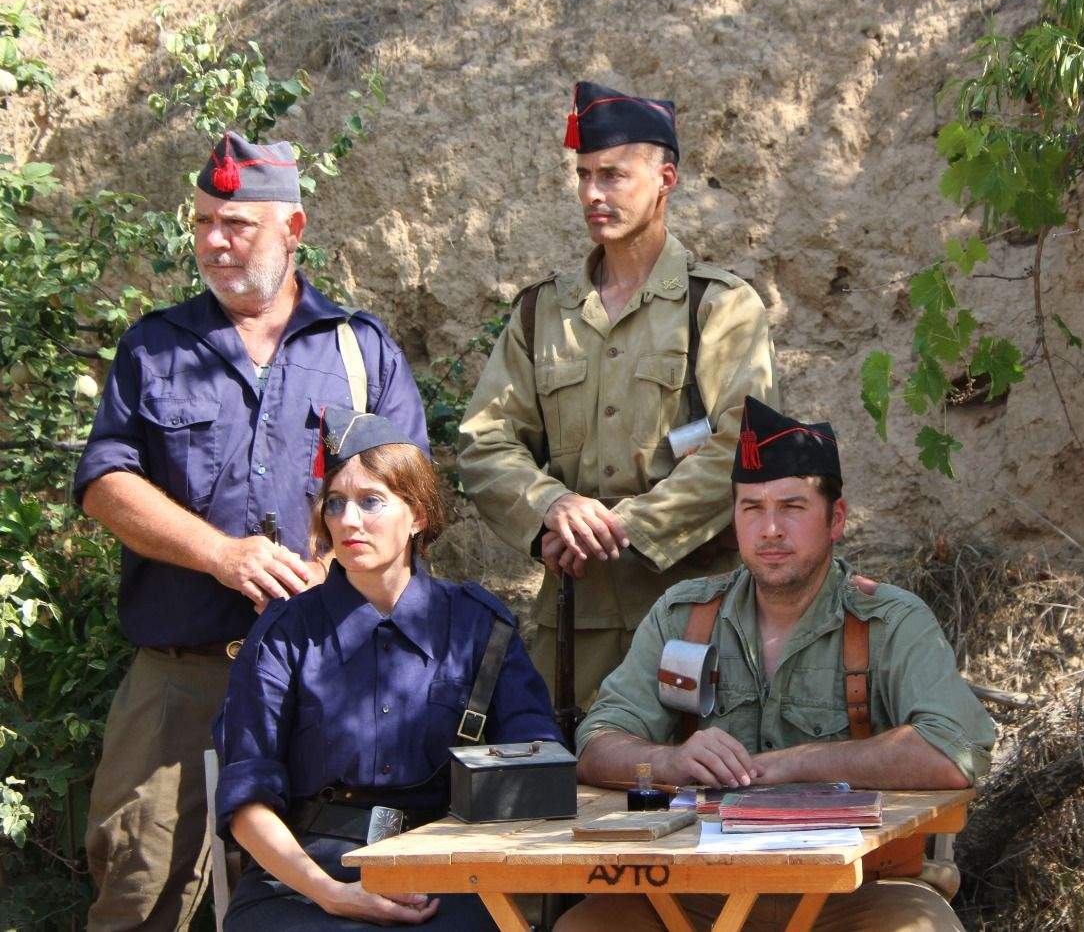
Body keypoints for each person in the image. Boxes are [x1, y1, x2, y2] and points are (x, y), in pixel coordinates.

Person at [73, 132, 430, 930]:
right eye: (202, 222)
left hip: (327, 680)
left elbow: (411, 491)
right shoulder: (157, 346)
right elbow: (104, 483)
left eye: (236, 223)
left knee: (321, 897)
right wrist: (223, 555)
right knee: (140, 890)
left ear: (294, 228)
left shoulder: (358, 349)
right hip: (181, 683)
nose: (213, 240)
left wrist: (335, 559)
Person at [559, 397, 996, 932]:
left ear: (835, 519)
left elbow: (955, 751)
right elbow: (598, 740)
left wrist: (790, 766)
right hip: (696, 891)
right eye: (752, 508)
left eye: (791, 507)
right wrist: (671, 762)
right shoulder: (684, 615)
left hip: (853, 892)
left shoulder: (889, 622)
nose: (769, 530)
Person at [457, 81, 779, 709]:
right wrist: (549, 507)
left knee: (700, 787)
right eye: (582, 176)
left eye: (612, 175)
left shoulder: (717, 306)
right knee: (574, 790)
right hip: (576, 627)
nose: (592, 194)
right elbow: (484, 441)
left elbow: (744, 445)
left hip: (696, 614)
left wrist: (621, 526)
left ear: (666, 178)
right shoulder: (542, 314)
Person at [214, 408, 562, 929]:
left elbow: (535, 768)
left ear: (418, 514)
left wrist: (466, 861)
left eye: (370, 501)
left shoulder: (476, 627)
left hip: (448, 873)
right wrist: (332, 894)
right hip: (304, 878)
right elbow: (246, 799)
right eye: (335, 503)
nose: (348, 520)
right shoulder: (285, 635)